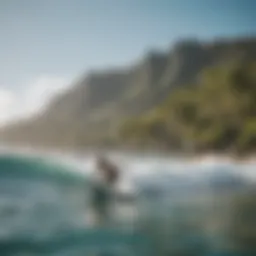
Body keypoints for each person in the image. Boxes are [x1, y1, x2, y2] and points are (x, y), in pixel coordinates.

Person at [89, 155, 120, 227]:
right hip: (106, 188)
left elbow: (113, 177)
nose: (97, 165)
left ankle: (103, 218)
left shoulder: (110, 168)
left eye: (99, 163)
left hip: (110, 186)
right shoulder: (102, 169)